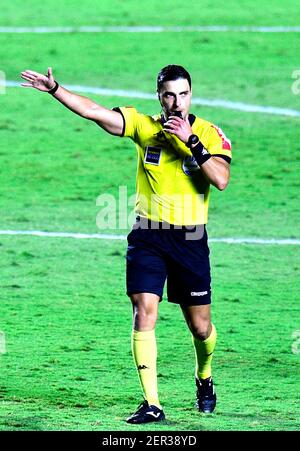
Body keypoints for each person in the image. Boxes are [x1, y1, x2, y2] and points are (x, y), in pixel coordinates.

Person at [20, 65, 232, 424]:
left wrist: (190, 141)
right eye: (169, 94)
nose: (176, 102)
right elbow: (93, 111)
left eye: (183, 94)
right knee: (143, 309)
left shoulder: (210, 134)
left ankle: (204, 376)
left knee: (200, 328)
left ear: (191, 95)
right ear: (159, 97)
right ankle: (153, 403)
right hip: (148, 235)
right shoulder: (143, 126)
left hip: (190, 239)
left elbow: (222, 180)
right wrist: (55, 88)